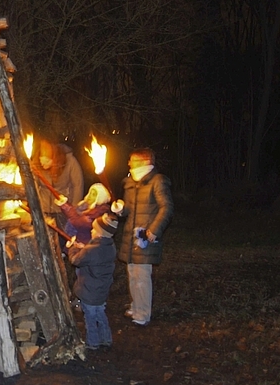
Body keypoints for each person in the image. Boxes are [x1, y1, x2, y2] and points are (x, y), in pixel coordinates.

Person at [117, 148, 174, 326]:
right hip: (131, 236)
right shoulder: (131, 183)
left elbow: (167, 207)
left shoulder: (157, 181)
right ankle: (136, 306)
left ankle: (143, 314)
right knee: (133, 274)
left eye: (132, 160)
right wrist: (120, 209)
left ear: (144, 161)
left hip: (145, 238)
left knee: (142, 276)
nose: (129, 163)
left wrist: (154, 230)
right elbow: (129, 209)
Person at [67, 212, 118, 350]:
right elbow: (93, 254)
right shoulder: (109, 247)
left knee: (89, 318)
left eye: (94, 229)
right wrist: (83, 248)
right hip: (101, 290)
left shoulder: (91, 251)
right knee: (100, 314)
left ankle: (93, 343)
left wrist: (72, 247)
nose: (91, 230)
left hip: (89, 291)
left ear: (100, 233)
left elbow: (75, 260)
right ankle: (106, 339)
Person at [33, 138, 85, 229]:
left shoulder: (70, 162)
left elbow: (78, 185)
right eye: (42, 160)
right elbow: (33, 185)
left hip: (63, 211)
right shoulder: (36, 163)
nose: (42, 164)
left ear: (55, 159)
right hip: (43, 209)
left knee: (62, 237)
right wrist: (35, 205)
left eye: (47, 161)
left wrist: (73, 210)